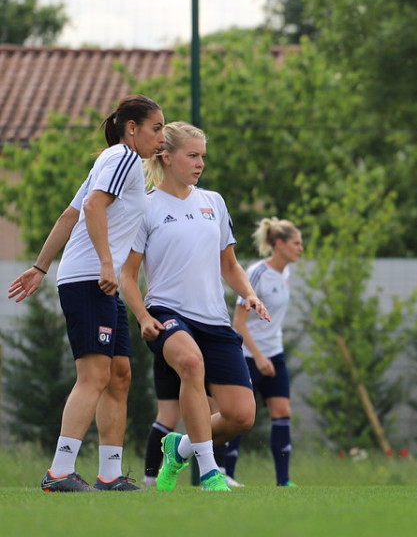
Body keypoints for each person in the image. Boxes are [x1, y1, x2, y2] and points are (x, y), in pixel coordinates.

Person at [22, 95, 164, 492]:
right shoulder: (124, 158)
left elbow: (71, 213)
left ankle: (110, 474)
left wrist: (40, 266)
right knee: (95, 375)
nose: (161, 137)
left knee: (119, 376)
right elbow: (92, 207)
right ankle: (59, 471)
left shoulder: (112, 159)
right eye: (156, 128)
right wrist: (106, 263)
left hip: (95, 280)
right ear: (131, 128)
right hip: (92, 278)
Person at [120, 121, 269, 492]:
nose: (200, 163)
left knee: (240, 415)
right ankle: (209, 473)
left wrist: (248, 292)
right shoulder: (146, 207)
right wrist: (141, 316)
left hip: (214, 320)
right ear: (167, 157)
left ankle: (179, 448)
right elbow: (128, 275)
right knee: (190, 363)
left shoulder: (213, 202)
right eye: (193, 155)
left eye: (203, 156)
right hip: (166, 312)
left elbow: (230, 265)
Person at [228, 217, 303, 487]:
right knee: (239, 417)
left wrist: (270, 355)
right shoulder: (257, 272)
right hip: (250, 356)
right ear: (279, 244)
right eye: (296, 243)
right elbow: (239, 323)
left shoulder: (286, 274)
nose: (300, 248)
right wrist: (259, 357)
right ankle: (227, 475)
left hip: (275, 354)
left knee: (282, 412)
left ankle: (284, 481)